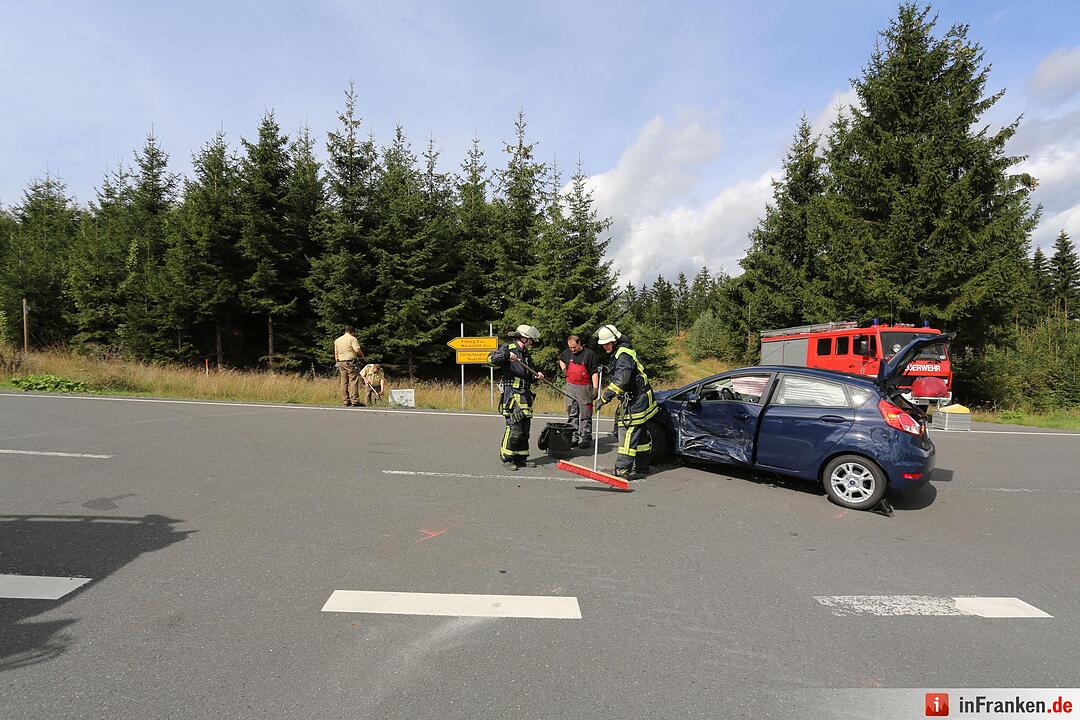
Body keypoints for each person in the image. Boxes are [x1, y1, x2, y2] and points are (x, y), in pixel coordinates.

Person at [595, 324, 658, 480]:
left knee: (628, 431)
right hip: (641, 396)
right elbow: (621, 371)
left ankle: (622, 469)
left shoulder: (623, 354)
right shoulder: (621, 351)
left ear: (615, 340)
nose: (604, 346)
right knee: (641, 433)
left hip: (637, 398)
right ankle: (642, 467)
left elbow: (621, 380)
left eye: (606, 343)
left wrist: (604, 397)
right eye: (602, 344)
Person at [488, 324, 545, 470]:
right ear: (524, 338)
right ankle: (507, 458)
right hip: (512, 394)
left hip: (525, 395)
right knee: (515, 427)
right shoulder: (508, 348)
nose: (532, 342)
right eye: (530, 339)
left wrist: (536, 376)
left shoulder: (526, 354)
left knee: (525, 428)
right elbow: (491, 359)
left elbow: (529, 376)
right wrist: (506, 356)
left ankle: (521, 457)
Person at [558, 334, 600, 448]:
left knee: (585, 415)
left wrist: (595, 389)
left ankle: (586, 438)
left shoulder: (589, 354)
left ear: (579, 343)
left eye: (574, 347)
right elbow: (561, 360)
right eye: (570, 347)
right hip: (570, 387)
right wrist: (564, 369)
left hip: (585, 387)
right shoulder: (567, 353)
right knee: (572, 413)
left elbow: (594, 372)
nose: (572, 349)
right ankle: (573, 437)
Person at [333, 325, 365, 407]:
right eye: (354, 333)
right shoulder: (352, 339)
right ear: (352, 332)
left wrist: (337, 361)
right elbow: (357, 350)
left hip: (340, 362)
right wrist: (361, 356)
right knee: (353, 381)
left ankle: (346, 400)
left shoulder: (337, 340)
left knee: (344, 382)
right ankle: (355, 400)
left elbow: (336, 353)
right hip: (350, 362)